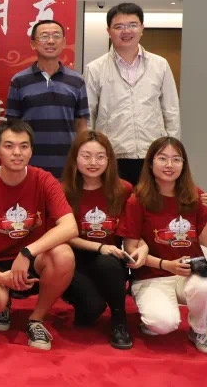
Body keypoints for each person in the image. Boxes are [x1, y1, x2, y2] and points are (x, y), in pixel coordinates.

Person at [0, 119, 77, 351]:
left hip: (32, 262)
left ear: (31, 151)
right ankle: (3, 304)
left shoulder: (44, 180)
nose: (17, 153)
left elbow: (70, 227)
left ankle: (36, 319)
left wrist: (27, 252)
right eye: (9, 146)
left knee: (64, 255)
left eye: (24, 146)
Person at [118, 136, 207, 354]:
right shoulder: (137, 199)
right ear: (150, 163)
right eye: (162, 158)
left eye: (176, 159)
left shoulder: (195, 195)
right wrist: (166, 265)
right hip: (151, 276)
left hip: (189, 273)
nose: (169, 165)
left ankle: (199, 330)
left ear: (184, 164)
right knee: (162, 324)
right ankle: (152, 314)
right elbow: (130, 250)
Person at [59, 130, 141, 349]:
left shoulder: (124, 189)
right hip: (74, 259)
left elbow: (133, 230)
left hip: (110, 260)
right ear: (75, 158)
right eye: (86, 156)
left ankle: (119, 321)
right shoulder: (63, 191)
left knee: (108, 262)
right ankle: (82, 299)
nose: (93, 162)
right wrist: (98, 247)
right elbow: (62, 234)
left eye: (100, 156)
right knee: (90, 310)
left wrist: (140, 248)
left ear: (109, 159)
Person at [85, 3, 180, 184]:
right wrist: (92, 154)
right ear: (108, 31)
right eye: (119, 26)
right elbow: (88, 114)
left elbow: (171, 111)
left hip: (153, 153)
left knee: (151, 200)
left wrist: (171, 151)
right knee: (115, 201)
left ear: (142, 28)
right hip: (111, 154)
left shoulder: (160, 65)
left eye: (132, 25)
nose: (126, 31)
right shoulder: (95, 68)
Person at [6, 20, 89, 178]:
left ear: (64, 42)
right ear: (33, 44)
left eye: (56, 36)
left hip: (67, 166)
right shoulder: (19, 81)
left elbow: (81, 126)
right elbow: (12, 127)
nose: (51, 41)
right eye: (44, 36)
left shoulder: (77, 81)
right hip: (29, 165)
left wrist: (82, 159)